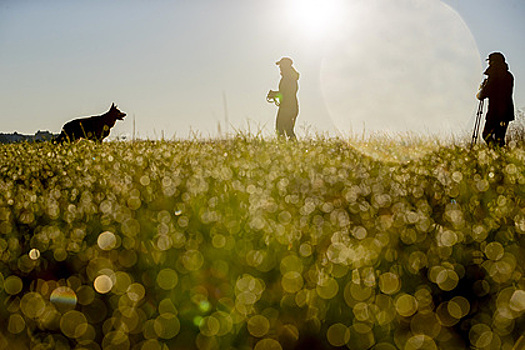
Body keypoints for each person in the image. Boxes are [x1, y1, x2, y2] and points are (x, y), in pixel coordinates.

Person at [476, 52, 515, 147]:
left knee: (486, 135)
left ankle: (494, 153)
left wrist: (481, 91)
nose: (489, 64)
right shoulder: (509, 75)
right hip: (506, 112)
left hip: (495, 112)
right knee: (500, 137)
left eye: (490, 61)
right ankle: (499, 157)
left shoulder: (494, 76)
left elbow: (485, 93)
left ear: (493, 62)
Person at [267, 57, 300, 139]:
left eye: (281, 65)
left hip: (287, 107)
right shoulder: (290, 77)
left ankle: (284, 149)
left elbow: (287, 94)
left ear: (285, 66)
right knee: (287, 130)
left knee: (282, 130)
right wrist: (275, 94)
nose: (280, 67)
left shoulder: (289, 78)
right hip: (289, 106)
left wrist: (274, 94)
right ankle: (291, 149)